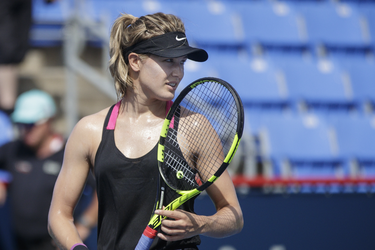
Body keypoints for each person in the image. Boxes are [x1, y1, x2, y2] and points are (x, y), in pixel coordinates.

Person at [48, 12, 243, 250]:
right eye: (168, 61)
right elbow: (59, 215)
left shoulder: (195, 126)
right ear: (135, 62)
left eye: (182, 62)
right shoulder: (89, 130)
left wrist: (201, 223)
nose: (178, 73)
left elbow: (233, 215)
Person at [0, 89, 98, 250]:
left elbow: (103, 190)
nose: (26, 129)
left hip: (57, 244)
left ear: (49, 121)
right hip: (19, 242)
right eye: (21, 124)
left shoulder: (70, 152)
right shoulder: (14, 150)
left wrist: (84, 225)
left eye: (31, 124)